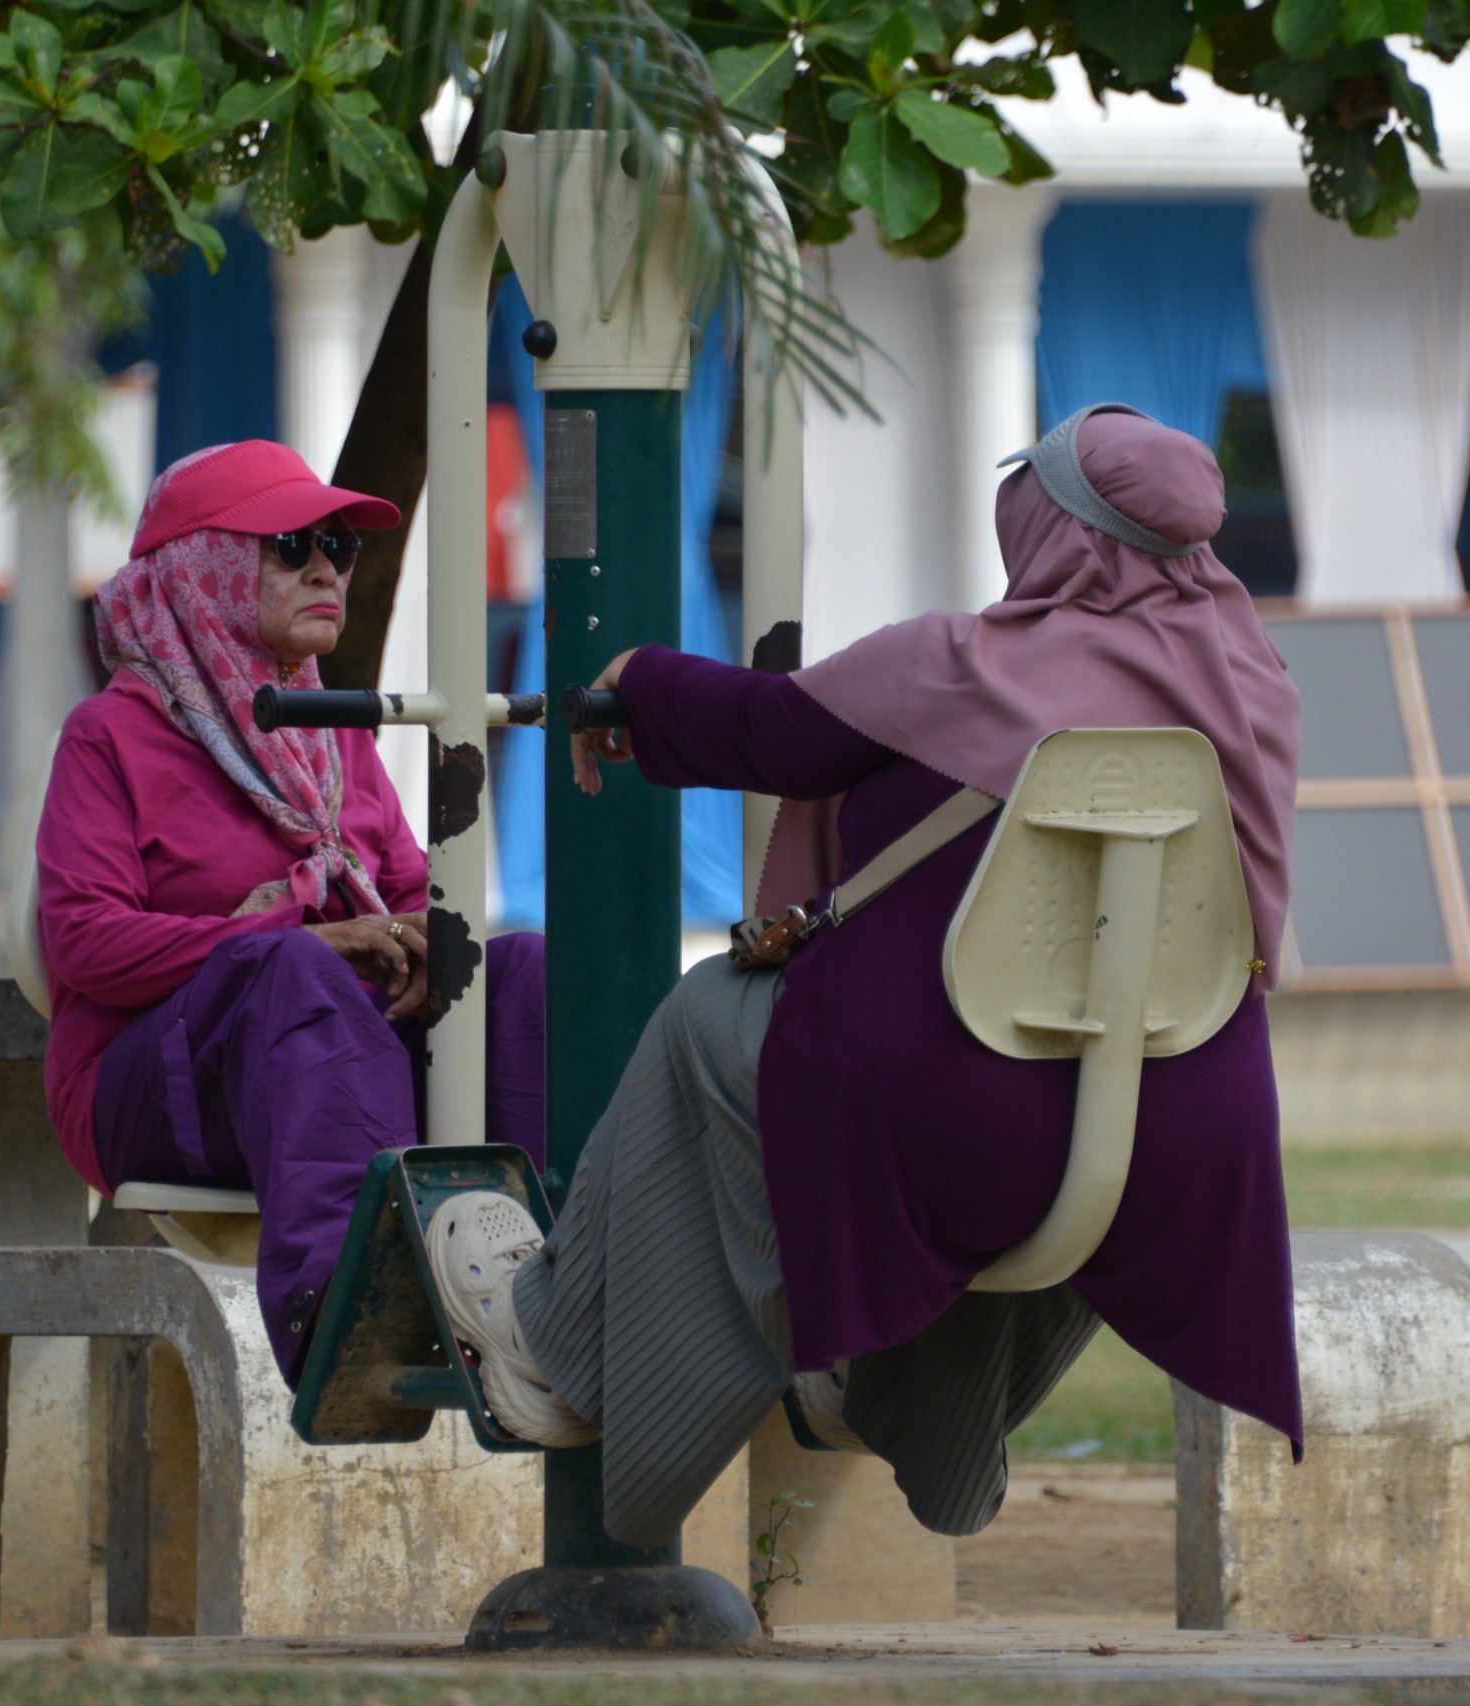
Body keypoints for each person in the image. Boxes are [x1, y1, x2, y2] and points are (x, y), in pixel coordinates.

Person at [423, 404, 1305, 1543]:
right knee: (1002, 1143)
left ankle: (550, 1345)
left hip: (950, 1122)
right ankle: (911, 1405)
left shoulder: (962, 665)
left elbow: (770, 731)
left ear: (1054, 532)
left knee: (708, 1017)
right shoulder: (1256, 686)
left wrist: (638, 677)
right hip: (1182, 1139)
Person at [35, 439, 546, 1383]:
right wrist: (295, 932)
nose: (326, 571)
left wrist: (424, 939)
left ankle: (557, 1291)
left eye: (339, 548)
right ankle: (352, 1324)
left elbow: (405, 893)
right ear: (204, 568)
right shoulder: (108, 735)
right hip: (148, 1088)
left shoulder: (332, 733)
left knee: (519, 971)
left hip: (336, 1065)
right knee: (296, 969)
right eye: (292, 546)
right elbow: (84, 942)